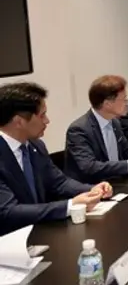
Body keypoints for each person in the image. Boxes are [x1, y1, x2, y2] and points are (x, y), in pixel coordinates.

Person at [0, 82, 113, 235]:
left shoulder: (36, 145)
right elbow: (8, 211)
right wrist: (70, 205)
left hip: (39, 231)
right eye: (42, 115)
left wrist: (91, 189)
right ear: (19, 121)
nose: (47, 121)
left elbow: (58, 182)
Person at [65, 75, 128, 184]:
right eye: (123, 99)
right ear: (107, 104)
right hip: (93, 188)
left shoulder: (115, 122)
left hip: (117, 183)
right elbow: (91, 167)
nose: (127, 103)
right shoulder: (78, 130)